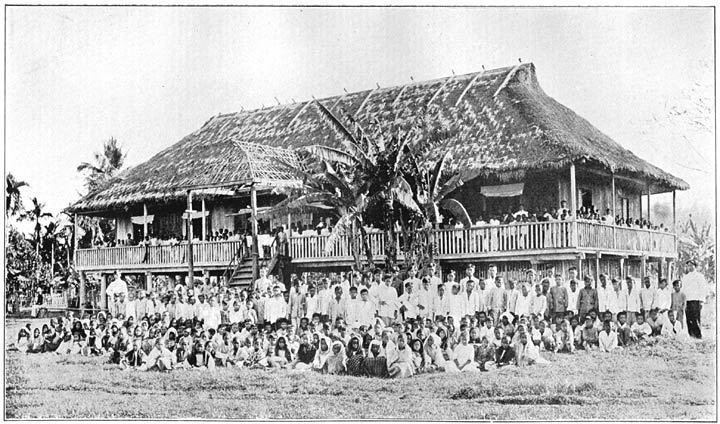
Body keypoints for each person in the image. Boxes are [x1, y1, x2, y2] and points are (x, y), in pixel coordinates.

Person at [681, 260, 708, 339]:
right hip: (687, 301)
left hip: (696, 301)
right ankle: (691, 336)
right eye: (688, 265)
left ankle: (698, 336)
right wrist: (683, 301)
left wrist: (702, 301)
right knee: (688, 319)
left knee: (695, 319)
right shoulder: (685, 277)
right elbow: (683, 289)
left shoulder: (699, 276)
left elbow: (703, 289)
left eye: (691, 265)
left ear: (695, 266)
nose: (689, 267)